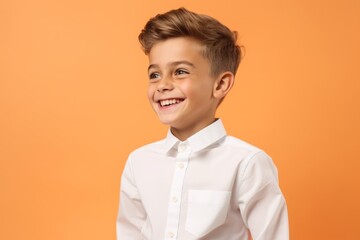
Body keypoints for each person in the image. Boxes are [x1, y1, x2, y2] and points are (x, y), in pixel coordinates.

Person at [116, 7, 289, 240]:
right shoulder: (139, 162)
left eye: (180, 71)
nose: (162, 85)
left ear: (220, 85)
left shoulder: (247, 163)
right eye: (154, 74)